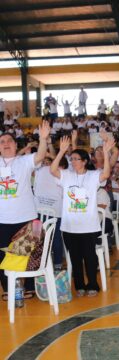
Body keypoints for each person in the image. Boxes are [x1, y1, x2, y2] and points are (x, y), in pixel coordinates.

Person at [50, 135, 115, 297]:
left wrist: (106, 153)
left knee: (89, 257)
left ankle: (92, 283)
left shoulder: (93, 176)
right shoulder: (67, 175)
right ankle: (79, 285)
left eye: (76, 159)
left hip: (89, 226)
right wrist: (61, 152)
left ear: (85, 161)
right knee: (75, 258)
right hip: (69, 226)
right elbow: (52, 170)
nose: (73, 161)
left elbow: (106, 174)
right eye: (71, 159)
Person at [0, 121, 51, 300]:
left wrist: (43, 139)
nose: (6, 143)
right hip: (2, 219)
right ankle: (8, 288)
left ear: (15, 145)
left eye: (9, 141)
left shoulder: (24, 161)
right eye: (2, 141)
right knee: (2, 256)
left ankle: (29, 286)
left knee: (29, 253)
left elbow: (40, 156)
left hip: (27, 217)